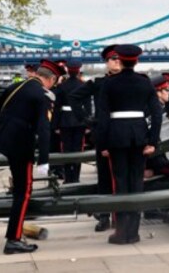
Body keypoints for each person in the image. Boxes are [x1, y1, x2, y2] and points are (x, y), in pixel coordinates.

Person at [0, 59, 64, 254]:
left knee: (20, 190)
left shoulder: (17, 86)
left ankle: (15, 235)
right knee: (24, 191)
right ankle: (13, 239)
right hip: (21, 145)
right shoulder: (42, 96)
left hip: (4, 139)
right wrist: (45, 160)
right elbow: (44, 129)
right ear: (51, 79)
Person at [96, 44, 162, 244]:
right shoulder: (145, 82)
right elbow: (157, 114)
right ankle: (133, 232)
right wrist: (152, 141)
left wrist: (103, 144)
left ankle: (121, 232)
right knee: (137, 184)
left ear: (120, 60)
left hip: (116, 136)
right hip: (139, 136)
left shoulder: (109, 84)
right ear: (136, 61)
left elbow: (102, 116)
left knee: (120, 183)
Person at [68, 44, 121, 232]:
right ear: (106, 63)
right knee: (105, 177)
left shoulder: (130, 82)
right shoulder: (98, 83)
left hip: (124, 133)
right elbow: (74, 98)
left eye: (119, 59)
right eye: (112, 59)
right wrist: (87, 120)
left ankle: (124, 215)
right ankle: (105, 215)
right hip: (104, 135)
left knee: (124, 177)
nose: (116, 62)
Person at [53, 59, 91, 183]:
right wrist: (88, 123)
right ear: (79, 70)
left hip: (65, 120)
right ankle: (76, 177)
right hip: (79, 120)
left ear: (68, 71)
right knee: (78, 149)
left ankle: (68, 177)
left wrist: (55, 124)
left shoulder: (61, 86)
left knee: (66, 150)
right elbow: (88, 106)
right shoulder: (84, 85)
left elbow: (57, 107)